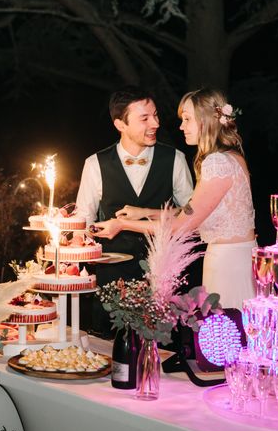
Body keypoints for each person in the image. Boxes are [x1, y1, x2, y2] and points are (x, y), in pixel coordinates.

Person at [92, 88, 256, 310]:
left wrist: (122, 224)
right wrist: (145, 212)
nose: (181, 127)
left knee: (229, 334)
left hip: (229, 265)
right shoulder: (231, 156)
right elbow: (192, 210)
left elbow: (182, 226)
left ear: (205, 121)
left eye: (187, 119)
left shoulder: (217, 163)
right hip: (234, 259)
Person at [75, 86, 194, 337]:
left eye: (155, 115)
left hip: (162, 277)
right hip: (111, 280)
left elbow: (191, 214)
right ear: (120, 124)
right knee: (107, 354)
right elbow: (82, 221)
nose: (155, 123)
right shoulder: (95, 164)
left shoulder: (175, 158)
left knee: (161, 354)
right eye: (144, 118)